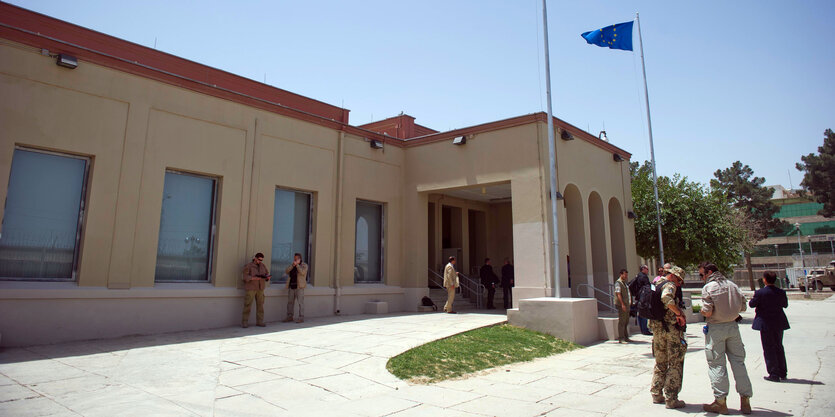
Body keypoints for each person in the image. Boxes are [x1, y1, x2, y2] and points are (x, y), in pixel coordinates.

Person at [699, 262, 753, 415]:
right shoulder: (732, 285)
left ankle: (720, 401)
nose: (701, 278)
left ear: (709, 273)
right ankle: (745, 400)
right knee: (738, 363)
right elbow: (743, 307)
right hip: (733, 327)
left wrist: (703, 311)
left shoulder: (708, 288)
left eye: (702, 275)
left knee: (716, 364)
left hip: (716, 328)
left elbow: (707, 312)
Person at [649, 266, 687, 409]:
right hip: (670, 329)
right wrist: (678, 313)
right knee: (675, 362)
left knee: (660, 362)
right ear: (673, 276)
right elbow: (666, 298)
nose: (679, 284)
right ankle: (671, 398)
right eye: (679, 281)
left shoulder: (656, 283)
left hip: (657, 329)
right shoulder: (669, 285)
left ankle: (656, 393)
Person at [749, 271, 789, 382]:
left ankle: (773, 373)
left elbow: (752, 304)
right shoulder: (781, 292)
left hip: (765, 323)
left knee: (768, 348)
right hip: (778, 322)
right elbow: (785, 305)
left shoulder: (760, 293)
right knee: (778, 346)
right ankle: (782, 371)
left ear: (765, 280)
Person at [242, 253, 271, 328]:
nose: (260, 261)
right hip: (251, 288)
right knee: (248, 305)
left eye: (261, 260)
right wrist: (253, 278)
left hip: (260, 288)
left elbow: (266, 273)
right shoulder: (248, 266)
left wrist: (267, 277)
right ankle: (244, 322)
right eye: (259, 260)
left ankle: (260, 321)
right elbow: (244, 277)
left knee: (260, 305)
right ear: (255, 258)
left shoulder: (263, 266)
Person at [283, 253, 308, 323]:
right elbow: (286, 271)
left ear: (300, 259)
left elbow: (302, 272)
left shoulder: (304, 265)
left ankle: (301, 317)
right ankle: (289, 316)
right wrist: (292, 265)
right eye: (294, 259)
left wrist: (297, 265)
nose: (294, 260)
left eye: (296, 259)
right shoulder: (292, 265)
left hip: (299, 287)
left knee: (300, 302)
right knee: (290, 302)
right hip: (291, 286)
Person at [630, 265, 652, 335]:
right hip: (643, 297)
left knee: (640, 313)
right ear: (643, 269)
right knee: (644, 313)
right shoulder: (643, 277)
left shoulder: (638, 276)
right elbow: (647, 287)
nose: (648, 270)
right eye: (647, 269)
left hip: (638, 296)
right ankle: (645, 330)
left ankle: (642, 329)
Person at [614, 268, 632, 343]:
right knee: (622, 321)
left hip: (627, 304)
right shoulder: (618, 283)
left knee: (626, 321)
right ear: (621, 274)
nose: (626, 276)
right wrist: (622, 304)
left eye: (627, 275)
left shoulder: (624, 283)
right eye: (625, 274)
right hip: (622, 305)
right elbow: (618, 294)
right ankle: (621, 338)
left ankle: (626, 337)